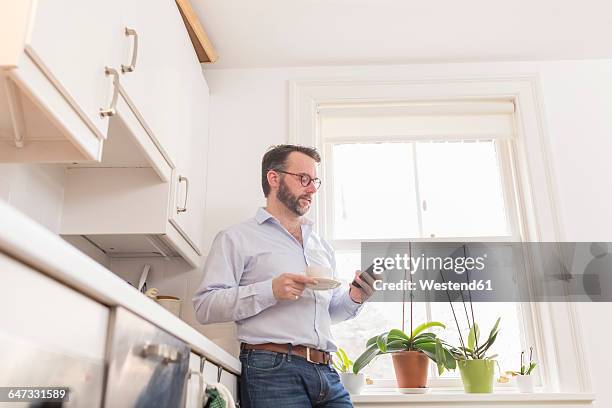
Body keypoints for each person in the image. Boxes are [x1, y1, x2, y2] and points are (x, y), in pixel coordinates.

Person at [193, 144, 376, 407]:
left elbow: (329, 312)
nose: (312, 189)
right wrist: (271, 291)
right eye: (304, 179)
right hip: (272, 370)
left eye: (315, 181)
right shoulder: (236, 238)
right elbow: (205, 306)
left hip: (326, 372)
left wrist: (355, 297)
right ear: (274, 178)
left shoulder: (321, 246)